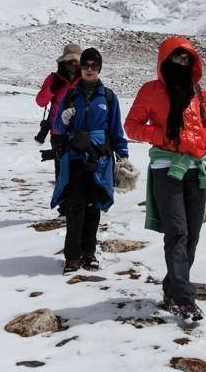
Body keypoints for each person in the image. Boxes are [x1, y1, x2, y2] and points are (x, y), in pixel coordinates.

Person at [124, 36, 206, 322]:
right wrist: (166, 137)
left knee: (192, 234)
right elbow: (132, 126)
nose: (182, 63)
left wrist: (199, 138)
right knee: (177, 232)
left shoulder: (198, 93)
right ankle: (182, 298)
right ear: (165, 60)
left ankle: (173, 286)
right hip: (167, 168)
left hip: (197, 169)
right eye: (177, 58)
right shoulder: (151, 91)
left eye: (187, 58)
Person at [51, 47, 128, 274]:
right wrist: (63, 120)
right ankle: (72, 258)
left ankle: (89, 254)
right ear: (80, 67)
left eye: (94, 65)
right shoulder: (71, 95)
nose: (89, 69)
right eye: (86, 65)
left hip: (100, 159)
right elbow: (57, 127)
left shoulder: (109, 97)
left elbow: (116, 130)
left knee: (94, 207)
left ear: (99, 68)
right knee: (75, 207)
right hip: (75, 156)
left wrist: (123, 157)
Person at [35, 43, 82, 180]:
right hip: (58, 133)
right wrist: (51, 90)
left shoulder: (86, 79)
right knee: (62, 175)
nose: (74, 65)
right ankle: (63, 200)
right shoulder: (54, 79)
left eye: (77, 61)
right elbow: (40, 101)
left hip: (81, 133)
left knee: (80, 174)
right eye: (71, 61)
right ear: (63, 62)